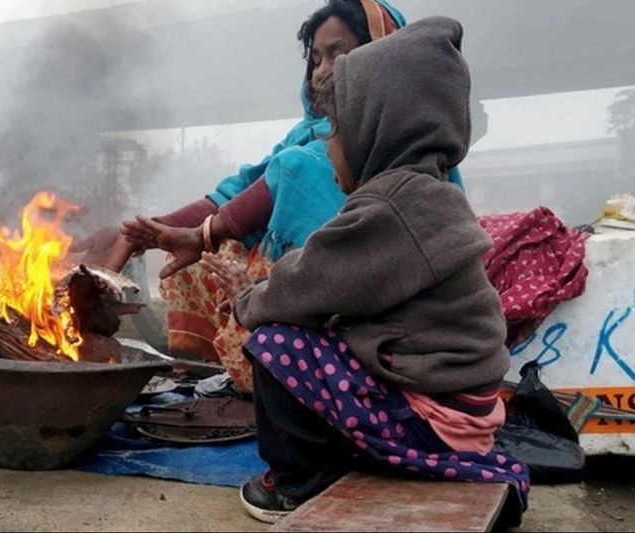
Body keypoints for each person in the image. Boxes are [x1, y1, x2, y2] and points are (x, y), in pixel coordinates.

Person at [201, 17, 528, 524]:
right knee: (320, 336)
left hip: (434, 418)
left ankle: (299, 484)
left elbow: (308, 285)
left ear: (377, 132)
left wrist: (249, 298)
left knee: (277, 343)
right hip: (463, 408)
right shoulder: (430, 194)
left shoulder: (390, 207)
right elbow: (334, 281)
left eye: (336, 133)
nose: (328, 150)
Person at [80, 0, 460, 394]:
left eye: (339, 54)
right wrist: (144, 232)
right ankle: (245, 368)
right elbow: (239, 192)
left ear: (382, 60)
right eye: (316, 59)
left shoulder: (403, 162)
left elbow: (286, 177)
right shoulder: (307, 133)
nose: (322, 71)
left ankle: (286, 375)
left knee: (245, 247)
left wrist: (244, 287)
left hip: (367, 321)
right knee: (202, 260)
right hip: (309, 293)